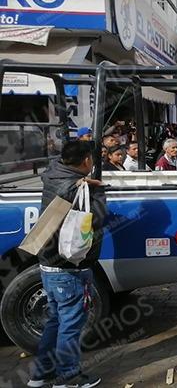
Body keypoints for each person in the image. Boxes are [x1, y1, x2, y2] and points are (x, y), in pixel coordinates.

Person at [29, 140, 105, 388]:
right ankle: (69, 377)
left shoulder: (53, 175)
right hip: (68, 268)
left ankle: (40, 375)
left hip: (48, 265)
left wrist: (84, 185)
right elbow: (97, 219)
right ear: (86, 161)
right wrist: (97, 192)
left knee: (55, 320)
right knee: (70, 325)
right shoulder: (76, 189)